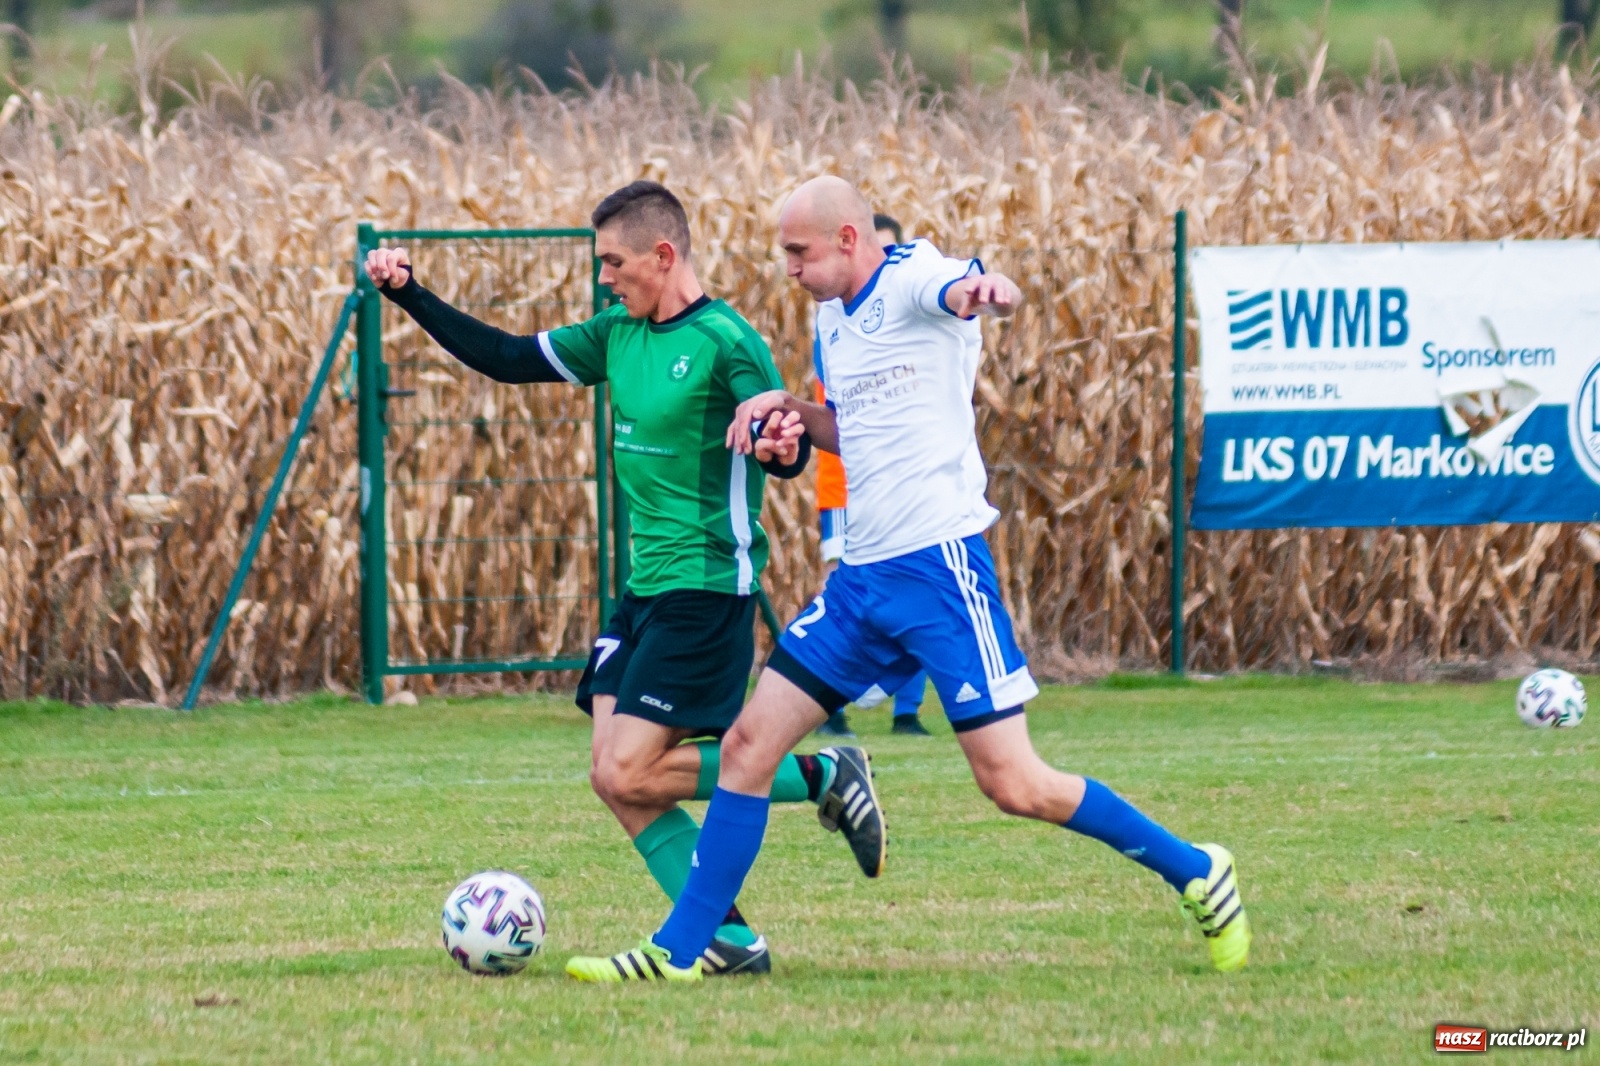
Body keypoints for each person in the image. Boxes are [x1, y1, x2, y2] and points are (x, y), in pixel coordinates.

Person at [565, 176, 1251, 983]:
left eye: (798, 251)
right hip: (860, 582)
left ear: (849, 240)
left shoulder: (916, 277)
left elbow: (962, 288)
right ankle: (680, 953)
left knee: (1015, 783)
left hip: (938, 571)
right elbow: (853, 432)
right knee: (748, 748)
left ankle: (1197, 872)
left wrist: (981, 288)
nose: (787, 268)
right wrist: (788, 410)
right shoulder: (833, 318)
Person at [363, 180, 886, 978]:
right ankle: (733, 940)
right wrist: (410, 294)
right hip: (644, 591)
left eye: (613, 262)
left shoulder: (725, 342)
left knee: (627, 769)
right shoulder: (616, 334)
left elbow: (782, 439)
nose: (604, 277)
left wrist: (782, 448)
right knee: (617, 781)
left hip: (707, 590)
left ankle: (816, 773)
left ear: (663, 255)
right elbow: (505, 359)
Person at [813, 212, 931, 739]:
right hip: (844, 484)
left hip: (913, 493)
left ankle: (906, 710)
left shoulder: (913, 303)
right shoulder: (835, 320)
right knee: (850, 589)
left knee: (921, 589)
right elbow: (841, 409)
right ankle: (830, 697)